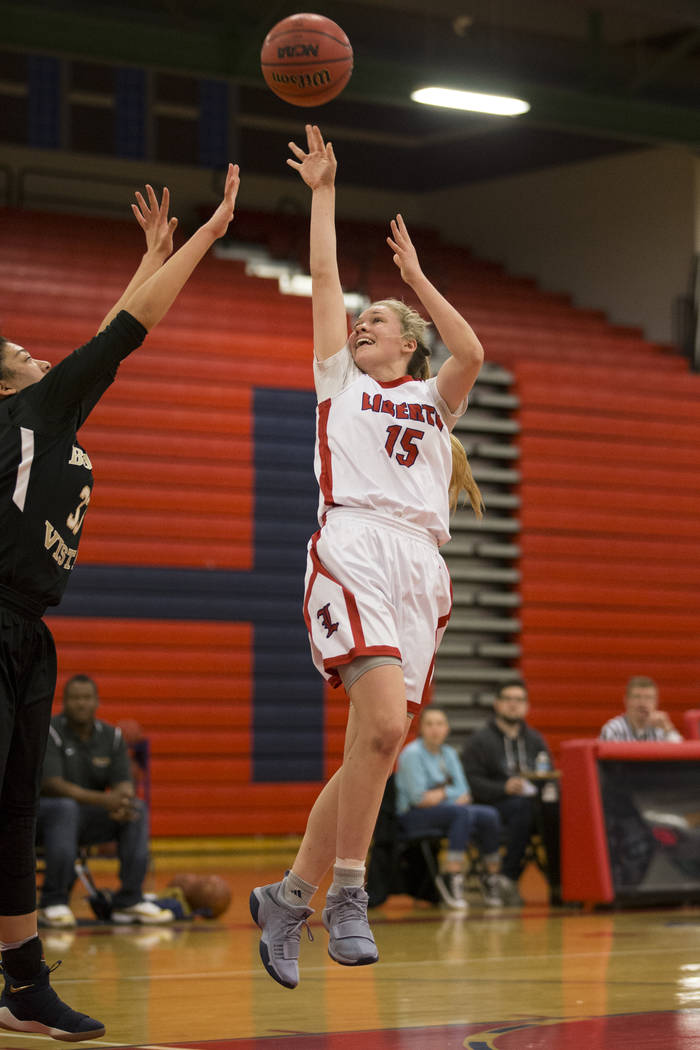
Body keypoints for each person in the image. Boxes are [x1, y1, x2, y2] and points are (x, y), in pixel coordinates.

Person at [0, 164, 240, 1041]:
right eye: (24, 351)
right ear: (5, 385)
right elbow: (123, 335)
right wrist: (208, 238)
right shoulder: (26, 413)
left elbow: (104, 338)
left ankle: (23, 988)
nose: (43, 353)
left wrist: (150, 255)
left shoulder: (44, 417)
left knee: (16, 817)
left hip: (27, 630)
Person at [250, 124, 485, 989]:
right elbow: (323, 278)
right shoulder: (337, 383)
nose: (361, 325)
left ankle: (288, 896)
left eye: (377, 322)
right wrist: (323, 191)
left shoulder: (433, 396)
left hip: (421, 566)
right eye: (361, 320)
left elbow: (473, 352)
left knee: (372, 752)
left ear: (407, 344)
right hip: (351, 544)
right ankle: (346, 893)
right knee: (387, 727)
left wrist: (417, 280)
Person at [37, 674, 170, 929]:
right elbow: (53, 785)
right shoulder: (49, 731)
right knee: (66, 808)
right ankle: (53, 902)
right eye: (75, 698)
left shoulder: (112, 736)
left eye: (86, 698)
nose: (81, 704)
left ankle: (129, 900)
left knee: (136, 809)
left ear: (97, 702)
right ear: (64, 702)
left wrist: (122, 802)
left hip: (88, 818)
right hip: (45, 819)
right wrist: (105, 800)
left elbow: (123, 784)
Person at [395, 706, 504, 910]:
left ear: (447, 728)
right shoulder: (412, 754)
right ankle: (452, 877)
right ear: (421, 728)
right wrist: (449, 792)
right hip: (413, 817)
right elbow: (419, 799)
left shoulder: (449, 753)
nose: (435, 729)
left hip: (448, 813)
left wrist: (440, 793)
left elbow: (465, 792)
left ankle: (491, 877)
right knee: (460, 813)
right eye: (429, 724)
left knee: (489, 815)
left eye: (440, 724)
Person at [461, 680, 555, 905]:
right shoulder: (480, 740)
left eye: (519, 700)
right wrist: (504, 787)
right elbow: (471, 782)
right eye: (508, 700)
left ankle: (561, 883)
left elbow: (548, 773)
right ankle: (508, 877)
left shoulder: (535, 740)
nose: (514, 705)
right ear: (497, 704)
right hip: (494, 804)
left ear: (527, 706)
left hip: (532, 805)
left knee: (556, 809)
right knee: (522, 808)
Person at [600, 676, 683, 742]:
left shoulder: (660, 730)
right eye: (637, 697)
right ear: (626, 700)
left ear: (656, 702)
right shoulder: (614, 729)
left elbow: (681, 756)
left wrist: (668, 728)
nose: (642, 703)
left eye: (648, 698)